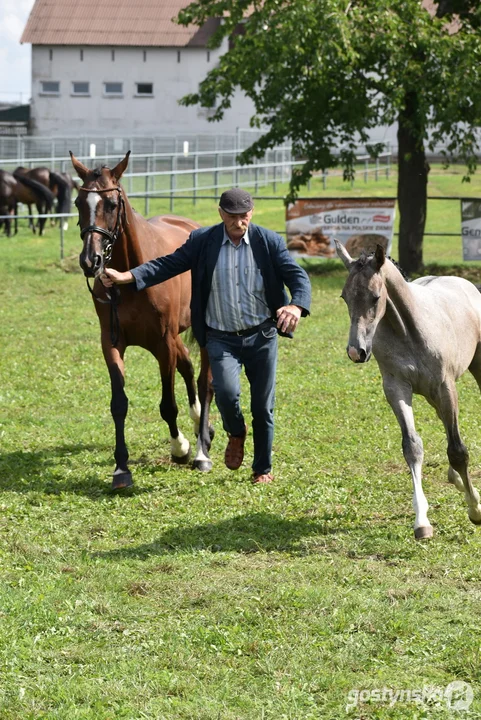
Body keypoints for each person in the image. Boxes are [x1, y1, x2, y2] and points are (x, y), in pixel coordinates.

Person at [101, 188, 311, 484]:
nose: (239, 222)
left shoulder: (268, 242)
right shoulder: (204, 241)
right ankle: (235, 431)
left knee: (263, 407)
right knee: (224, 393)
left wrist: (296, 304)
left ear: (251, 213)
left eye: (244, 215)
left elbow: (297, 276)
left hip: (261, 334)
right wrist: (130, 276)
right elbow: (168, 264)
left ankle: (262, 469)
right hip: (221, 337)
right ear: (221, 214)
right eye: (233, 216)